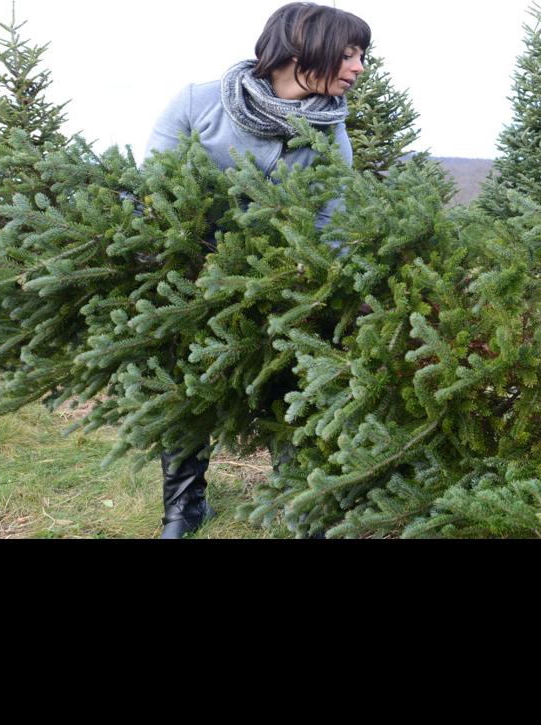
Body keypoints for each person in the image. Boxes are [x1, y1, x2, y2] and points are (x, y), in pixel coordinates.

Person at [143, 1, 370, 538]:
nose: (358, 67)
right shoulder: (199, 101)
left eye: (362, 56)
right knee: (184, 384)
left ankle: (299, 506)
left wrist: (313, 288)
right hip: (190, 279)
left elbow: (331, 223)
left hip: (279, 284)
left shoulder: (331, 133)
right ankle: (184, 507)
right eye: (347, 54)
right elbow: (155, 189)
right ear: (300, 48)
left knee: (290, 384)